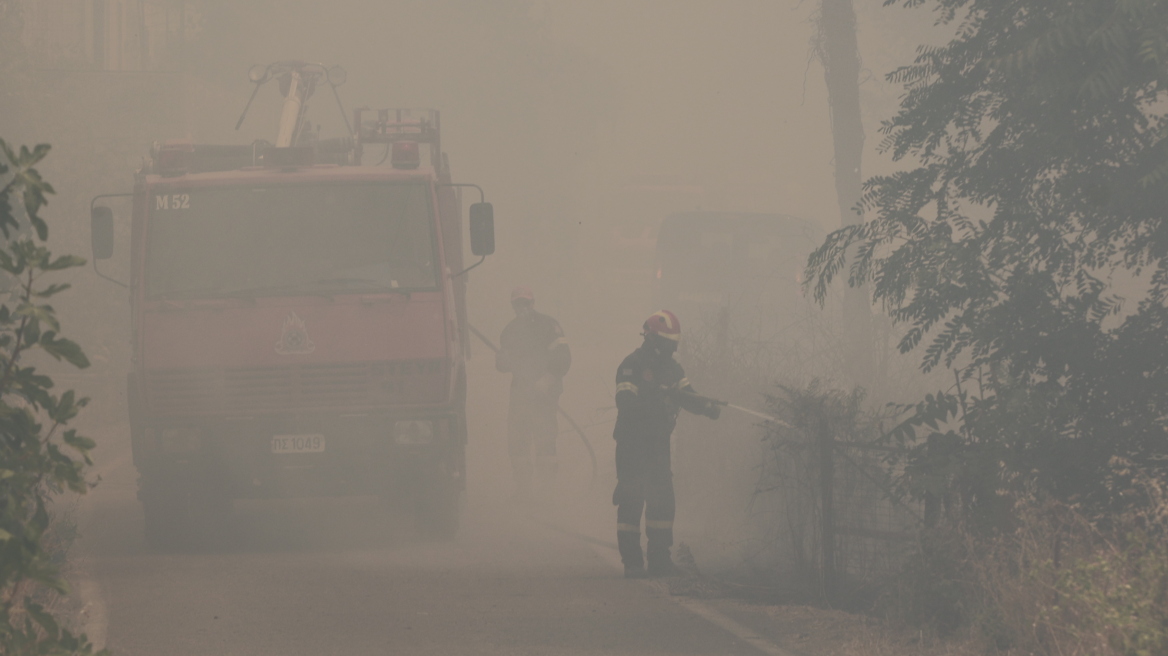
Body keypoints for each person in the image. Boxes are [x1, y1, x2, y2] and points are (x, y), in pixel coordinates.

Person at [612, 310, 720, 578]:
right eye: (667, 344)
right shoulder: (631, 366)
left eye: (674, 344)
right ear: (651, 339)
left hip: (657, 445)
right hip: (632, 444)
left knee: (662, 502)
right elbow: (626, 403)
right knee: (631, 499)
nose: (671, 350)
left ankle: (660, 561)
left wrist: (707, 406)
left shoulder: (673, 369)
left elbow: (688, 395)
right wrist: (656, 397)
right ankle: (632, 563)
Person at [496, 286, 571, 501]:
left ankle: (547, 490)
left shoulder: (549, 325)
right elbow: (502, 365)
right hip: (520, 393)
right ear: (513, 306)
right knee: (517, 440)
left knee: (545, 438)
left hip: (545, 394)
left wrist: (547, 379)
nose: (522, 307)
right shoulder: (509, 331)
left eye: (525, 303)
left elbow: (563, 358)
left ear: (533, 303)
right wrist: (502, 360)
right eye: (517, 304)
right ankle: (523, 489)